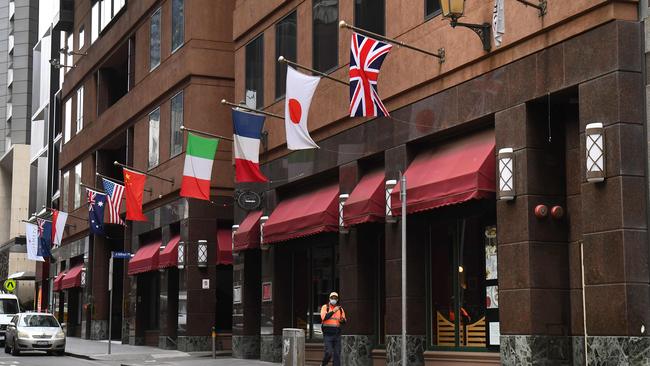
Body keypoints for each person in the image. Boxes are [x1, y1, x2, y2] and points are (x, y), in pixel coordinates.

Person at [320, 292, 346, 366]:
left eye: (335, 298)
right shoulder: (325, 307)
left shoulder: (340, 309)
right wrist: (334, 310)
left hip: (337, 334)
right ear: (329, 299)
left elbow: (344, 320)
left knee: (337, 354)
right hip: (327, 334)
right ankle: (323, 364)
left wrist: (342, 320)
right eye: (332, 298)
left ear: (337, 299)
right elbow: (324, 317)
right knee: (329, 352)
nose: (333, 299)